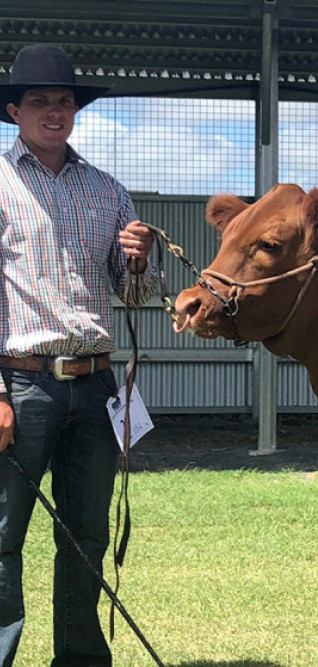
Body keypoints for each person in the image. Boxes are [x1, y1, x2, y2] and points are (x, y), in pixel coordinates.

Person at [0, 43, 156, 665]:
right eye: (39, 101)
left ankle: (82, 660)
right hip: (21, 385)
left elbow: (134, 295)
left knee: (86, 535)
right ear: (14, 111)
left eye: (64, 101)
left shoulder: (108, 191)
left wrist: (139, 261)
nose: (54, 112)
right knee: (4, 536)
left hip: (95, 385)